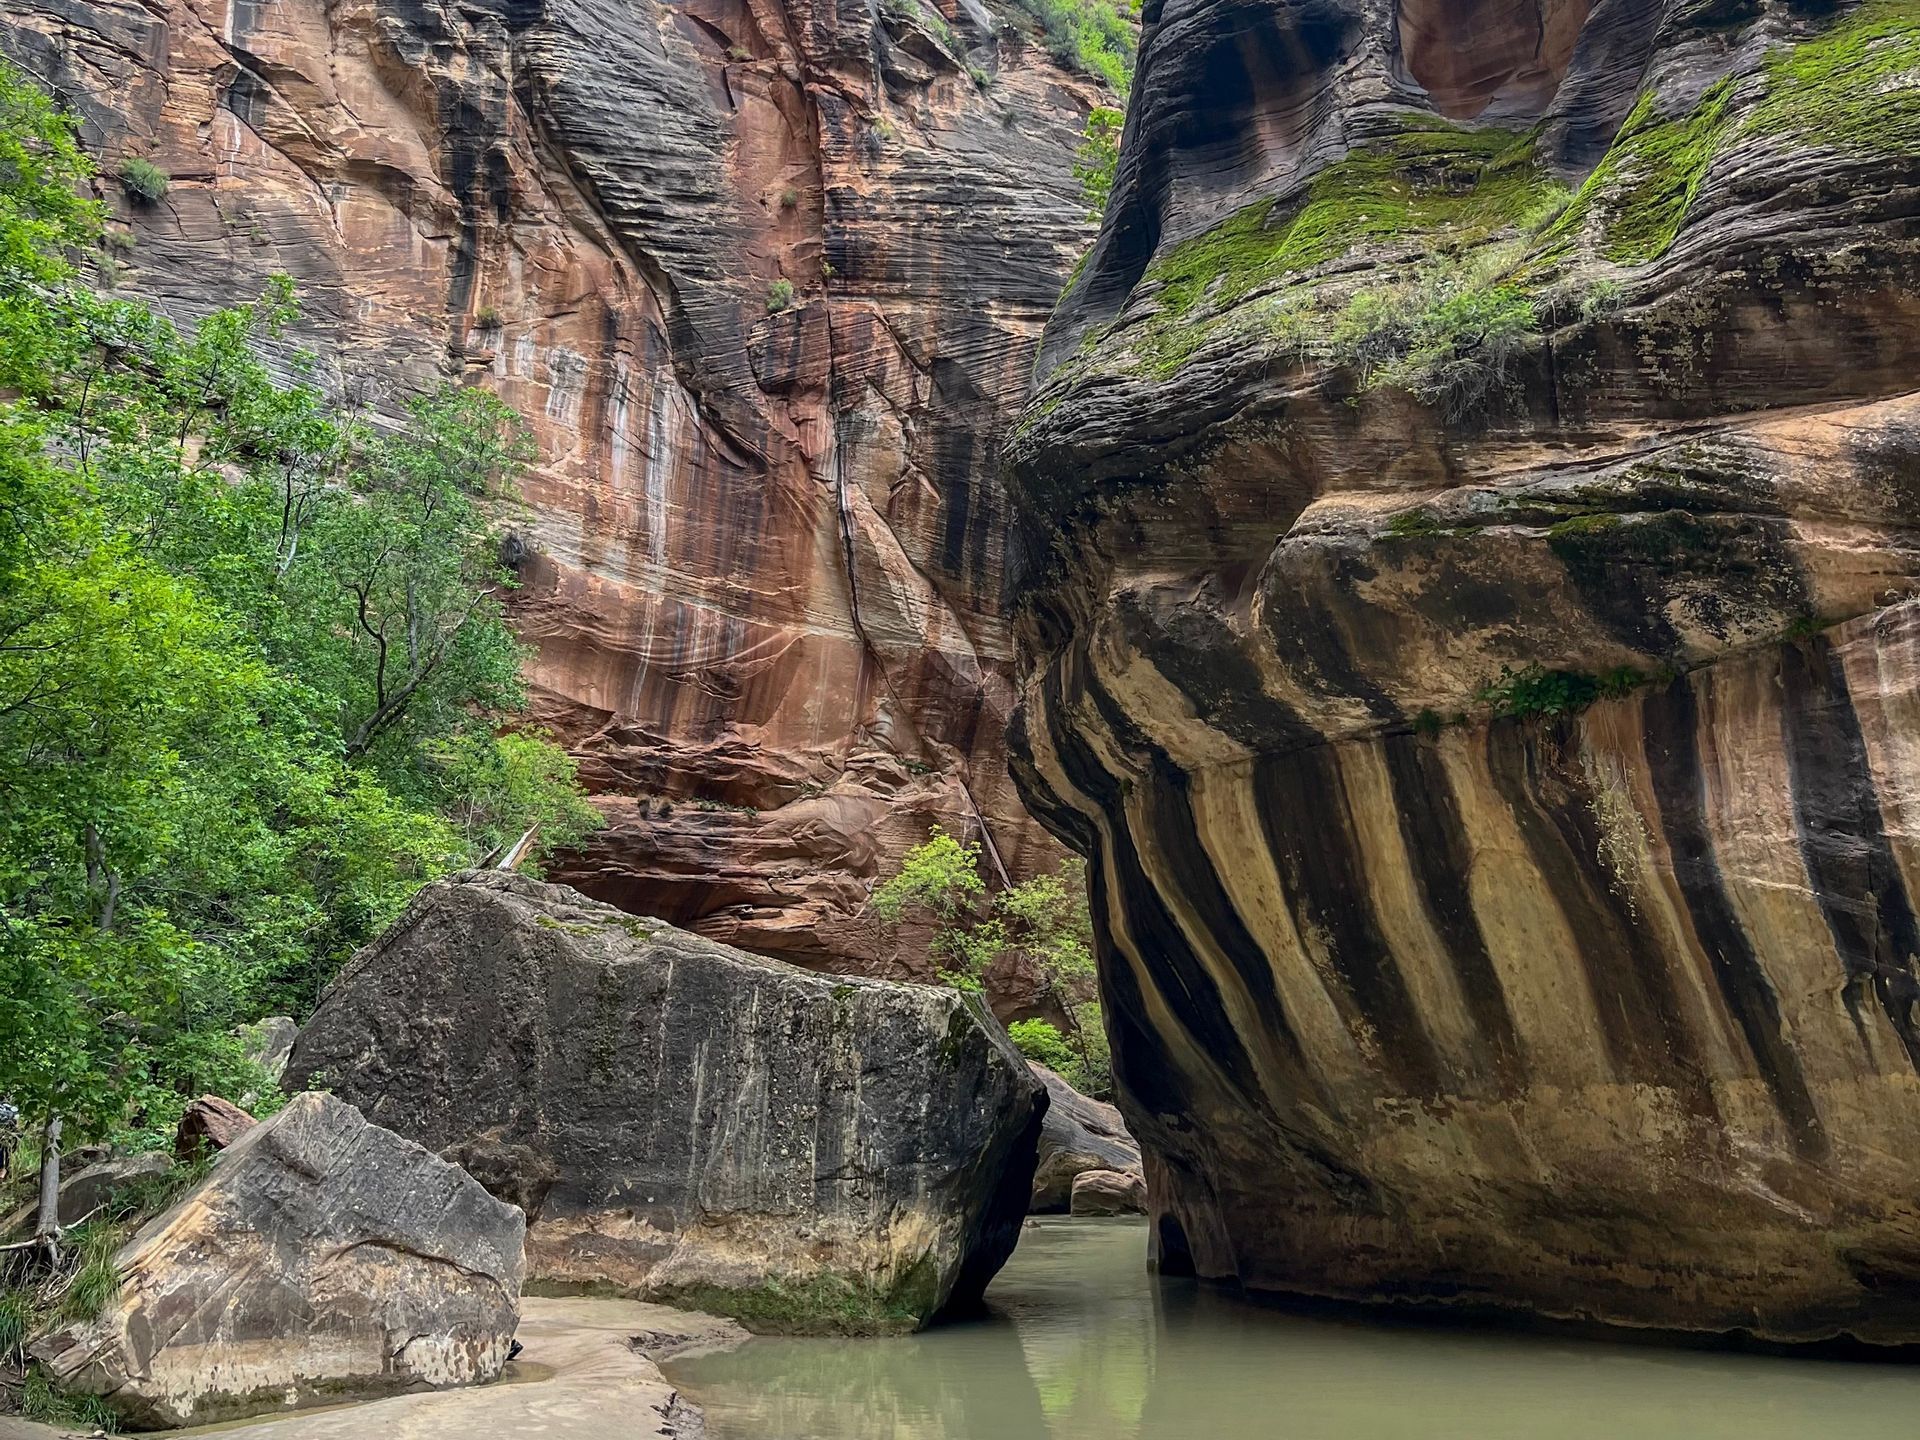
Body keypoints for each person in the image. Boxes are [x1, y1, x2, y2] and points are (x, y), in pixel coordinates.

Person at [0, 1100, 18, 1183]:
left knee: (4, 1153)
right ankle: (4, 1171)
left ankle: (3, 1171)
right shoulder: (11, 1111)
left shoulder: (6, 1111)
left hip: (5, 1137)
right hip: (7, 1137)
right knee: (5, 1153)